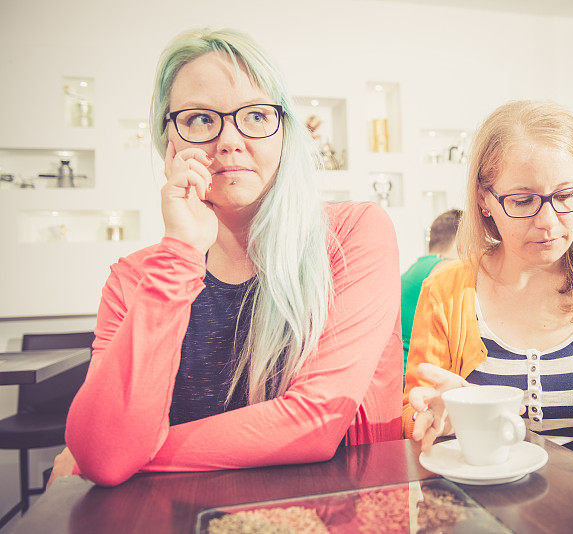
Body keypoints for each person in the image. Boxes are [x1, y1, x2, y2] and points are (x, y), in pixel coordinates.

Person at [51, 28, 402, 487]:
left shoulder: (352, 234)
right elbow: (102, 449)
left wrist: (131, 457)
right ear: (168, 140)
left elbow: (315, 422)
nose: (230, 140)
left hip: (336, 511)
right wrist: (180, 252)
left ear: (284, 131)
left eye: (256, 115)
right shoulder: (135, 280)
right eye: (199, 120)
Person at [403, 100, 573, 495]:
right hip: (484, 515)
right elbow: (415, 407)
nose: (548, 223)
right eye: (522, 201)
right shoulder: (446, 289)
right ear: (484, 200)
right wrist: (436, 417)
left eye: (566, 196)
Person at [400, 209, 462, 371]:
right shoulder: (447, 268)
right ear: (463, 239)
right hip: (419, 374)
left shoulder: (417, 268)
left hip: (403, 372)